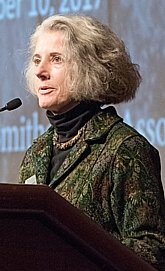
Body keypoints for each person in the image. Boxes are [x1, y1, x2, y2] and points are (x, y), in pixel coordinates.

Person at [19, 14, 165, 270]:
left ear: (88, 68)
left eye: (56, 59)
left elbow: (153, 249)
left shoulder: (125, 149)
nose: (41, 72)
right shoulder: (36, 153)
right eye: (37, 60)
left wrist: (75, 251)